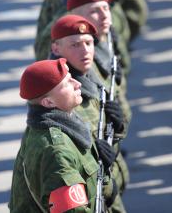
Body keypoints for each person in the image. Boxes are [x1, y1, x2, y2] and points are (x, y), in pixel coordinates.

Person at [9, 58, 116, 212]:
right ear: (48, 103)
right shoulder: (56, 152)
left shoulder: (66, 125)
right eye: (67, 83)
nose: (77, 84)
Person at [50, 14, 128, 212]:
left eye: (88, 43)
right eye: (75, 45)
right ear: (56, 48)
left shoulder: (90, 78)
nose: (85, 51)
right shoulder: (63, 98)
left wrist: (118, 129)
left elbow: (102, 134)